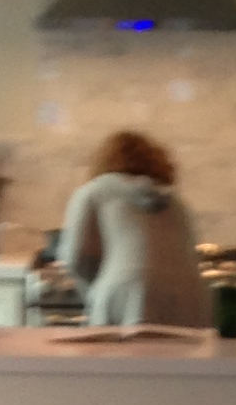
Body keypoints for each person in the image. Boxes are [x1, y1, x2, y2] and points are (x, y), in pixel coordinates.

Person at [59, 132, 211, 329]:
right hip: (190, 297)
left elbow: (76, 257)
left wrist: (95, 289)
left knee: (122, 350)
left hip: (125, 296)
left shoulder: (94, 192)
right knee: (176, 350)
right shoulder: (176, 202)